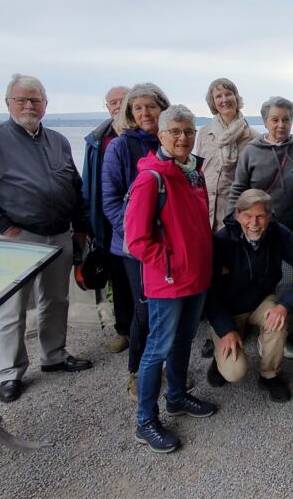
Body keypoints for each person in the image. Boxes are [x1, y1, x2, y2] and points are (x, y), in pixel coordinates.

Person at [0, 73, 92, 404]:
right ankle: (10, 373)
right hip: (17, 237)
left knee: (56, 300)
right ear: (8, 103)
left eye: (35, 100)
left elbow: (74, 187)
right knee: (11, 307)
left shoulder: (58, 141)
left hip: (59, 233)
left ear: (45, 105)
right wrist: (5, 227)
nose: (29, 105)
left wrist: (80, 227)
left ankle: (54, 355)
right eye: (22, 100)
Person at [124, 104, 218, 453]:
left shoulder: (194, 173)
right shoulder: (152, 178)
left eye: (188, 131)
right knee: (157, 349)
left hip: (195, 277)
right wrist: (169, 264)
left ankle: (177, 397)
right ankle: (145, 421)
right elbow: (135, 240)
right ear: (161, 135)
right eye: (175, 131)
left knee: (182, 341)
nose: (182, 137)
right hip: (169, 280)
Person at [204, 190, 293, 403]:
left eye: (260, 216)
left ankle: (269, 375)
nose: (254, 222)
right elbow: (207, 292)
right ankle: (219, 357)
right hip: (229, 309)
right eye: (248, 216)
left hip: (260, 301)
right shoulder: (221, 241)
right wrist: (225, 329)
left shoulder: (280, 234)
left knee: (277, 323)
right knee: (234, 371)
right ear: (237, 215)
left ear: (270, 216)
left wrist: (285, 304)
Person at [226, 96, 293, 360]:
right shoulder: (251, 151)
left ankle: (282, 333)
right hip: (257, 230)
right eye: (275, 119)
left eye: (286, 119)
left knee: (292, 282)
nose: (281, 124)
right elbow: (238, 190)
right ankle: (263, 330)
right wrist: (234, 225)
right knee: (263, 281)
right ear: (265, 121)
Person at [101, 83, 170, 398]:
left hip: (167, 242)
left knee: (165, 309)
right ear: (130, 112)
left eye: (151, 107)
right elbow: (110, 200)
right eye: (138, 108)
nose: (145, 113)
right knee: (144, 310)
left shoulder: (168, 142)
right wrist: (135, 236)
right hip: (134, 247)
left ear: (162, 110)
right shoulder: (120, 147)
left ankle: (162, 367)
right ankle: (137, 373)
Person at [81, 86, 132, 354]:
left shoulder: (147, 135)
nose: (117, 105)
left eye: (123, 101)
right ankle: (123, 330)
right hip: (110, 223)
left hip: (140, 222)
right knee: (119, 281)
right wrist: (90, 223)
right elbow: (89, 184)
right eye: (113, 102)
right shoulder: (97, 139)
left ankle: (148, 336)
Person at [195, 77, 257, 232]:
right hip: (204, 211)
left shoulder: (253, 137)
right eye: (218, 96)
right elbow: (197, 172)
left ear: (236, 97)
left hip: (235, 213)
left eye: (228, 94)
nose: (224, 100)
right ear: (213, 102)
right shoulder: (204, 133)